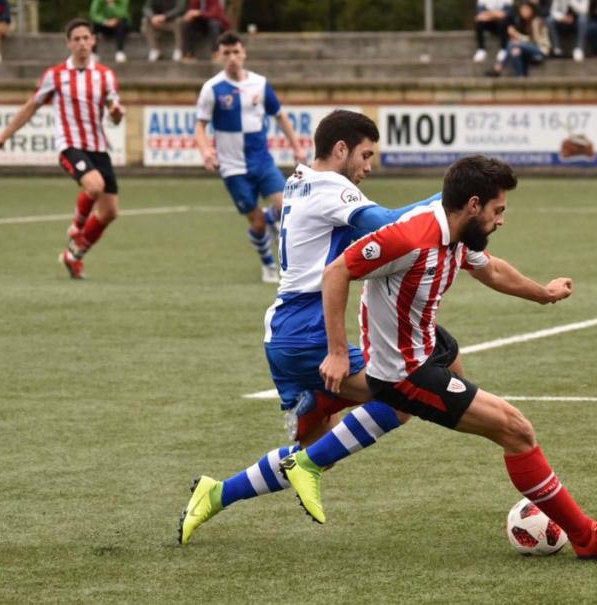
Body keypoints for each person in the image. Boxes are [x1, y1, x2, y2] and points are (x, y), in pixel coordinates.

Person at [281, 155, 597, 560]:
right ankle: (587, 537)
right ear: (473, 205)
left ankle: (325, 406)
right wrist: (337, 351)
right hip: (405, 372)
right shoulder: (410, 237)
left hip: (425, 342)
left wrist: (543, 294)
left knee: (456, 362)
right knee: (515, 429)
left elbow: (490, 270)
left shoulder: (460, 235)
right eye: (498, 210)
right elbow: (337, 272)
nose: (501, 220)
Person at [178, 110, 442, 545]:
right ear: (341, 149)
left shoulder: (298, 178)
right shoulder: (330, 186)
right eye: (365, 155)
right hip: (308, 330)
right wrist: (448, 199)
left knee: (317, 454)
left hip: (282, 332)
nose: (368, 167)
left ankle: (217, 493)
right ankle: (319, 402)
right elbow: (394, 224)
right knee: (403, 399)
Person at [0, 18, 125, 280]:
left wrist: (117, 113)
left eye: (87, 38)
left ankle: (73, 256)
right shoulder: (56, 75)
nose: (82, 43)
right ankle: (76, 227)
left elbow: (115, 114)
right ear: (68, 44)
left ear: (94, 40)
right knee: (94, 186)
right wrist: (3, 136)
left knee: (110, 212)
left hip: (98, 147)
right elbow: (31, 106)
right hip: (70, 145)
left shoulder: (106, 76)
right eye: (77, 39)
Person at [194, 31, 306, 283]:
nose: (232, 58)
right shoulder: (212, 89)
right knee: (256, 223)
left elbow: (281, 117)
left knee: (286, 206)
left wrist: (297, 148)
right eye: (226, 53)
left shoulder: (260, 83)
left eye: (236, 52)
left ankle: (271, 219)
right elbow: (200, 126)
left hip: (262, 162)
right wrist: (206, 151)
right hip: (233, 168)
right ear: (218, 56)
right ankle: (268, 263)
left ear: (244, 52)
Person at [487, 1, 550, 78]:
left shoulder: (537, 21)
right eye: (522, 10)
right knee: (515, 52)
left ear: (532, 10)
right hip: (527, 49)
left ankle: (499, 67)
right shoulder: (521, 22)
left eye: (526, 9)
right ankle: (521, 77)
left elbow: (534, 40)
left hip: (541, 49)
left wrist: (517, 35)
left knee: (512, 44)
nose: (524, 12)